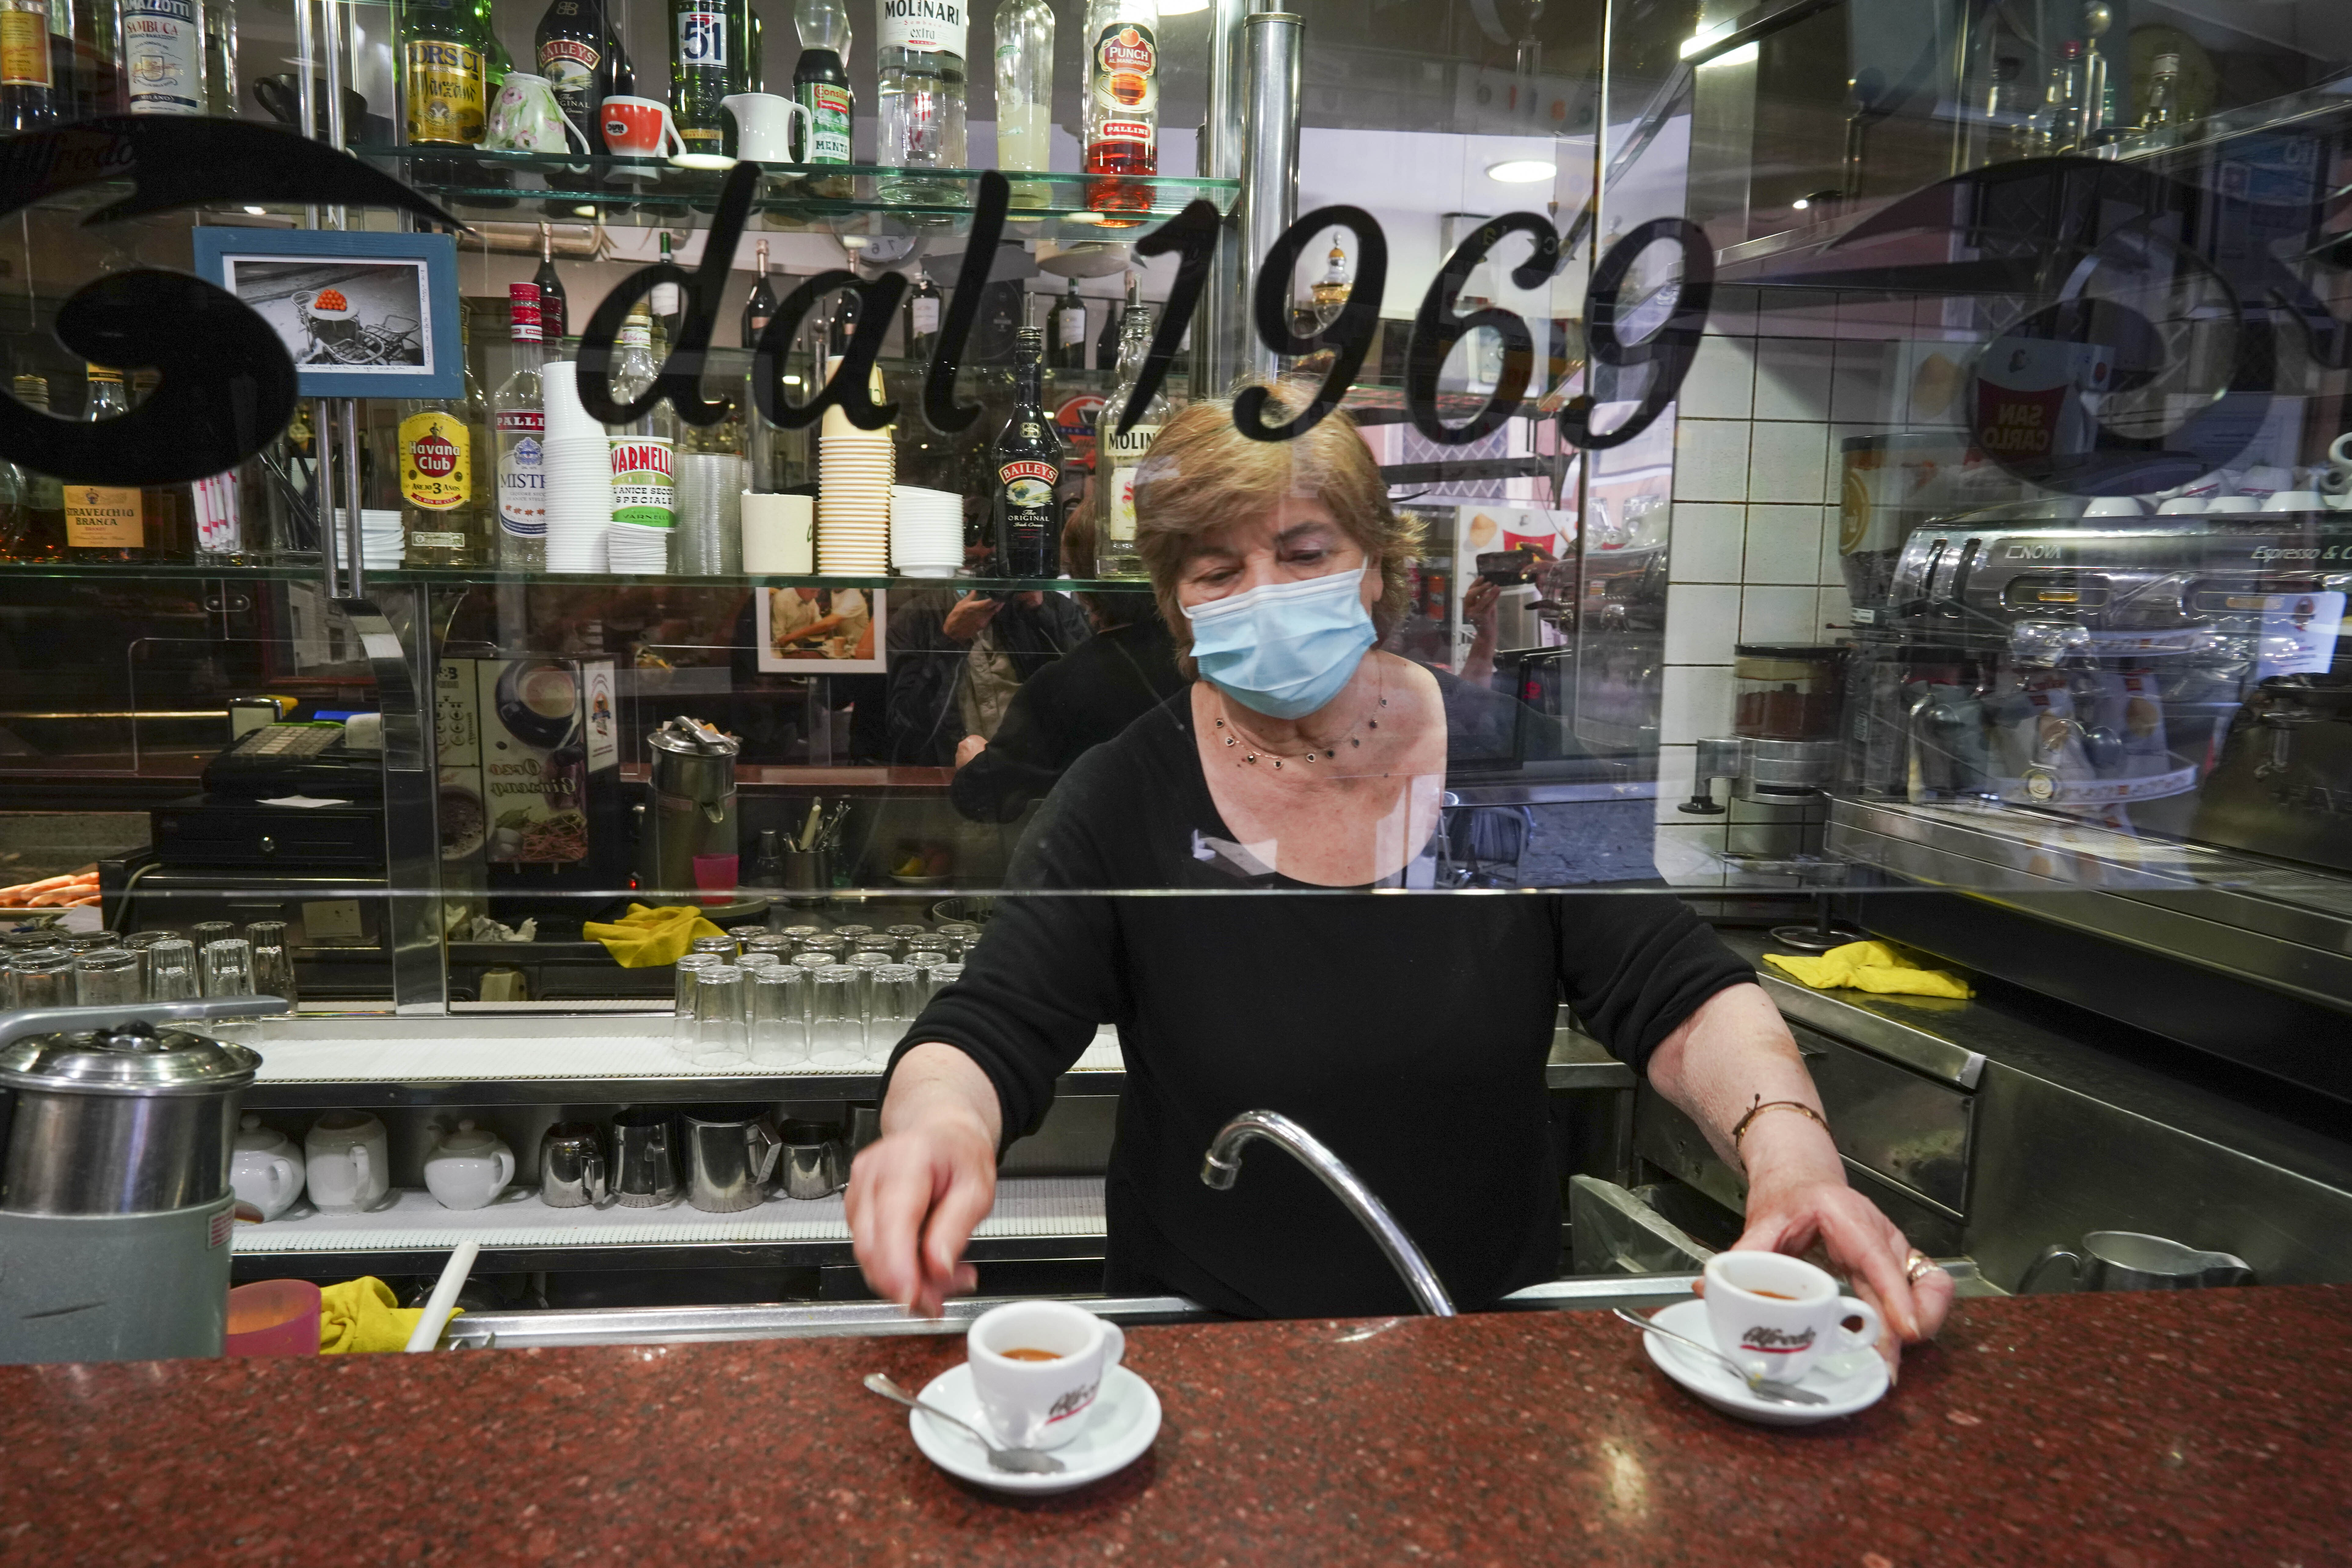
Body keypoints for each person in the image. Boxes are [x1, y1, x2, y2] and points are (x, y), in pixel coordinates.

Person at [848, 391, 1952, 1365]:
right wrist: (935, 1129)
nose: (1266, 592)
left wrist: (1796, 1158)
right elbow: (993, 1019)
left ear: (1376, 564)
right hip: (1209, 1357)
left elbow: (1675, 984)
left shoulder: (1511, 757)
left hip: (1482, 1339)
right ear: (1177, 606)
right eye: (1219, 570)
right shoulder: (1121, 791)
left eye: (1305, 550)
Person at [948, 590, 1187, 823]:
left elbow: (990, 796)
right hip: (1184, 834)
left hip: (1084, 833)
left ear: (1085, 596)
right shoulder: (1194, 661)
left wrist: (977, 764)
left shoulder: (1062, 676)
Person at [884, 588, 1092, 765]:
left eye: (992, 541)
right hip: (950, 775)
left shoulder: (1047, 606)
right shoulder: (917, 616)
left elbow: (1091, 692)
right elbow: (905, 726)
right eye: (972, 540)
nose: (983, 549)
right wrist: (950, 641)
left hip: (1037, 774)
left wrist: (1041, 614)